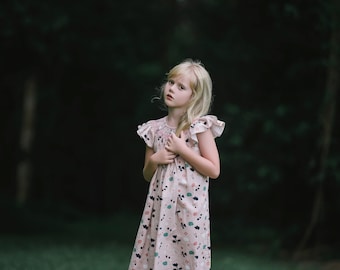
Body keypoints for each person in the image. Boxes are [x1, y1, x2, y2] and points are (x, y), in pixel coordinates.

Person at [128, 58, 225, 270]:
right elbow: (147, 174)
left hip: (190, 210)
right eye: (171, 82)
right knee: (158, 254)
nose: (171, 88)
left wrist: (184, 151)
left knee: (188, 257)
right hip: (160, 207)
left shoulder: (199, 127)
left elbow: (214, 169)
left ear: (194, 96)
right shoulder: (154, 129)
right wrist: (156, 159)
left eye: (181, 87)